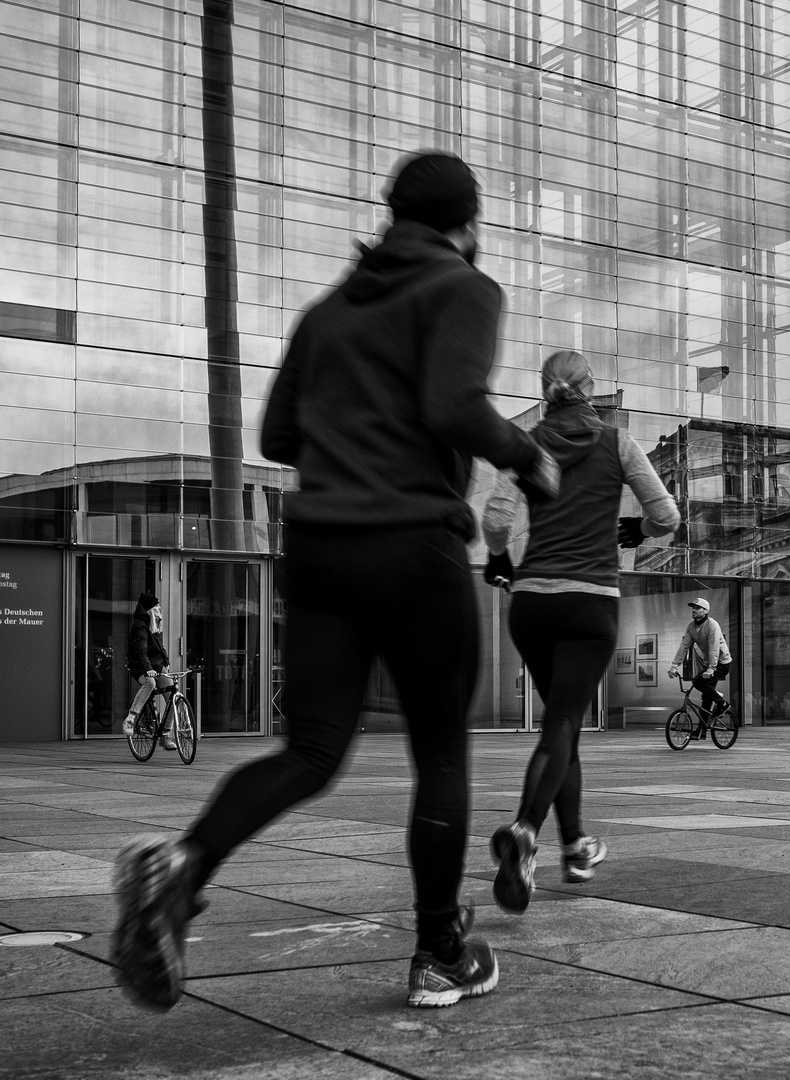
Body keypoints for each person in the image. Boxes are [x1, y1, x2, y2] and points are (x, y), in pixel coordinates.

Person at [111, 151, 560, 1012]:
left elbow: (280, 432)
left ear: (394, 216)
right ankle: (438, 952)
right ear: (466, 225)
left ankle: (182, 866)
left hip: (319, 548)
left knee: (312, 750)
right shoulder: (464, 288)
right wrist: (527, 457)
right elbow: (451, 403)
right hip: (412, 545)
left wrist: (351, 431)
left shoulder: (328, 311)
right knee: (439, 754)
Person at [482, 349, 680, 913]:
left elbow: (496, 519)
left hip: (531, 606)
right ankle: (525, 832)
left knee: (561, 728)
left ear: (544, 391)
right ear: (590, 390)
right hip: (589, 602)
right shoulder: (617, 442)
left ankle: (574, 848)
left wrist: (500, 560)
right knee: (565, 723)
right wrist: (637, 529)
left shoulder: (532, 445)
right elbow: (667, 517)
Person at [667, 598, 732, 739]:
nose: (694, 610)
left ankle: (722, 704)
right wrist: (674, 665)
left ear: (706, 611)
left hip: (721, 663)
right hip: (709, 664)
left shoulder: (712, 625)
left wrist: (711, 669)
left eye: (698, 608)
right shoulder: (691, 627)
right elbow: (684, 646)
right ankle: (702, 730)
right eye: (693, 608)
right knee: (706, 698)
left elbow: (714, 648)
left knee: (698, 682)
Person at [122, 593, 174, 749]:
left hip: (157, 665)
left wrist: (166, 662)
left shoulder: (156, 623)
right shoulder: (140, 626)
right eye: (156, 606)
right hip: (141, 665)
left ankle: (165, 736)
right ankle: (131, 718)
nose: (159, 609)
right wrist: (148, 669)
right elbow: (141, 652)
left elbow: (160, 646)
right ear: (150, 609)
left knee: (173, 697)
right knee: (150, 683)